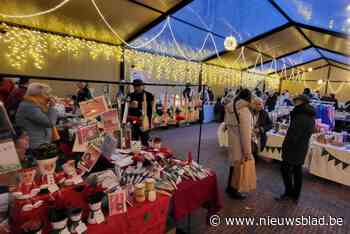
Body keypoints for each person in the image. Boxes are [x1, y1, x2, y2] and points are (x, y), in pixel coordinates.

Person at [276, 95, 315, 203]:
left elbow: (294, 134)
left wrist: (286, 146)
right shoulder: (309, 114)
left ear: (300, 102)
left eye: (295, 100)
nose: (294, 102)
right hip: (301, 146)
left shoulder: (300, 114)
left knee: (285, 169)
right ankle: (295, 195)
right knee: (297, 171)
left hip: (294, 147)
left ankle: (289, 192)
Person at [224, 89, 253, 199]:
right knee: (238, 168)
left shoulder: (230, 107)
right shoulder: (244, 110)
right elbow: (245, 134)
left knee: (233, 166)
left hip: (232, 142)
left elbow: (226, 123)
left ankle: (230, 187)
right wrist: (248, 152)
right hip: (240, 144)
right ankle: (234, 190)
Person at [15, 83, 58, 150]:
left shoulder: (36, 105)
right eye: (46, 94)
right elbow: (49, 122)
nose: (49, 97)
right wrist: (52, 107)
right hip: (35, 144)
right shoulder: (29, 106)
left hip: (40, 142)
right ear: (38, 95)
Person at [128, 79, 154, 146]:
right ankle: (135, 153)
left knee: (145, 140)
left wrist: (150, 121)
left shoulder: (149, 95)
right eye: (135, 86)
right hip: (134, 121)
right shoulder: (130, 95)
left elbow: (152, 110)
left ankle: (146, 153)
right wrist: (129, 105)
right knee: (134, 140)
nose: (137, 88)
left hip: (145, 121)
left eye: (139, 86)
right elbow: (126, 108)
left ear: (143, 86)